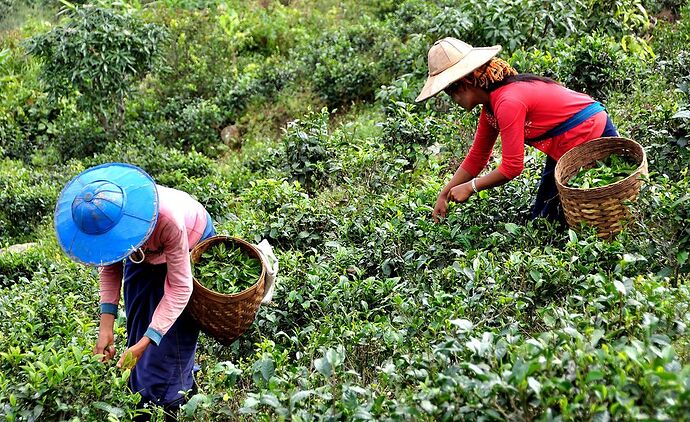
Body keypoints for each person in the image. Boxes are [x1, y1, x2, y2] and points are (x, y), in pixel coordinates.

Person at [54, 162, 216, 419]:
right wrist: (105, 327)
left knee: (170, 336)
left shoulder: (167, 220)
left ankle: (173, 400)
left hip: (187, 243)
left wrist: (145, 343)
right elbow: (109, 265)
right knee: (139, 319)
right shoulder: (108, 223)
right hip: (143, 252)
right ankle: (142, 386)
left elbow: (179, 288)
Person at [415, 37, 620, 225]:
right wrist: (444, 194)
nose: (453, 100)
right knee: (543, 219)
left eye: (451, 92)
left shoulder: (507, 101)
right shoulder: (491, 109)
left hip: (590, 132)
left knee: (590, 213)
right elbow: (477, 157)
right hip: (562, 145)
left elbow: (512, 168)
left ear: (466, 82)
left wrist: (471, 187)